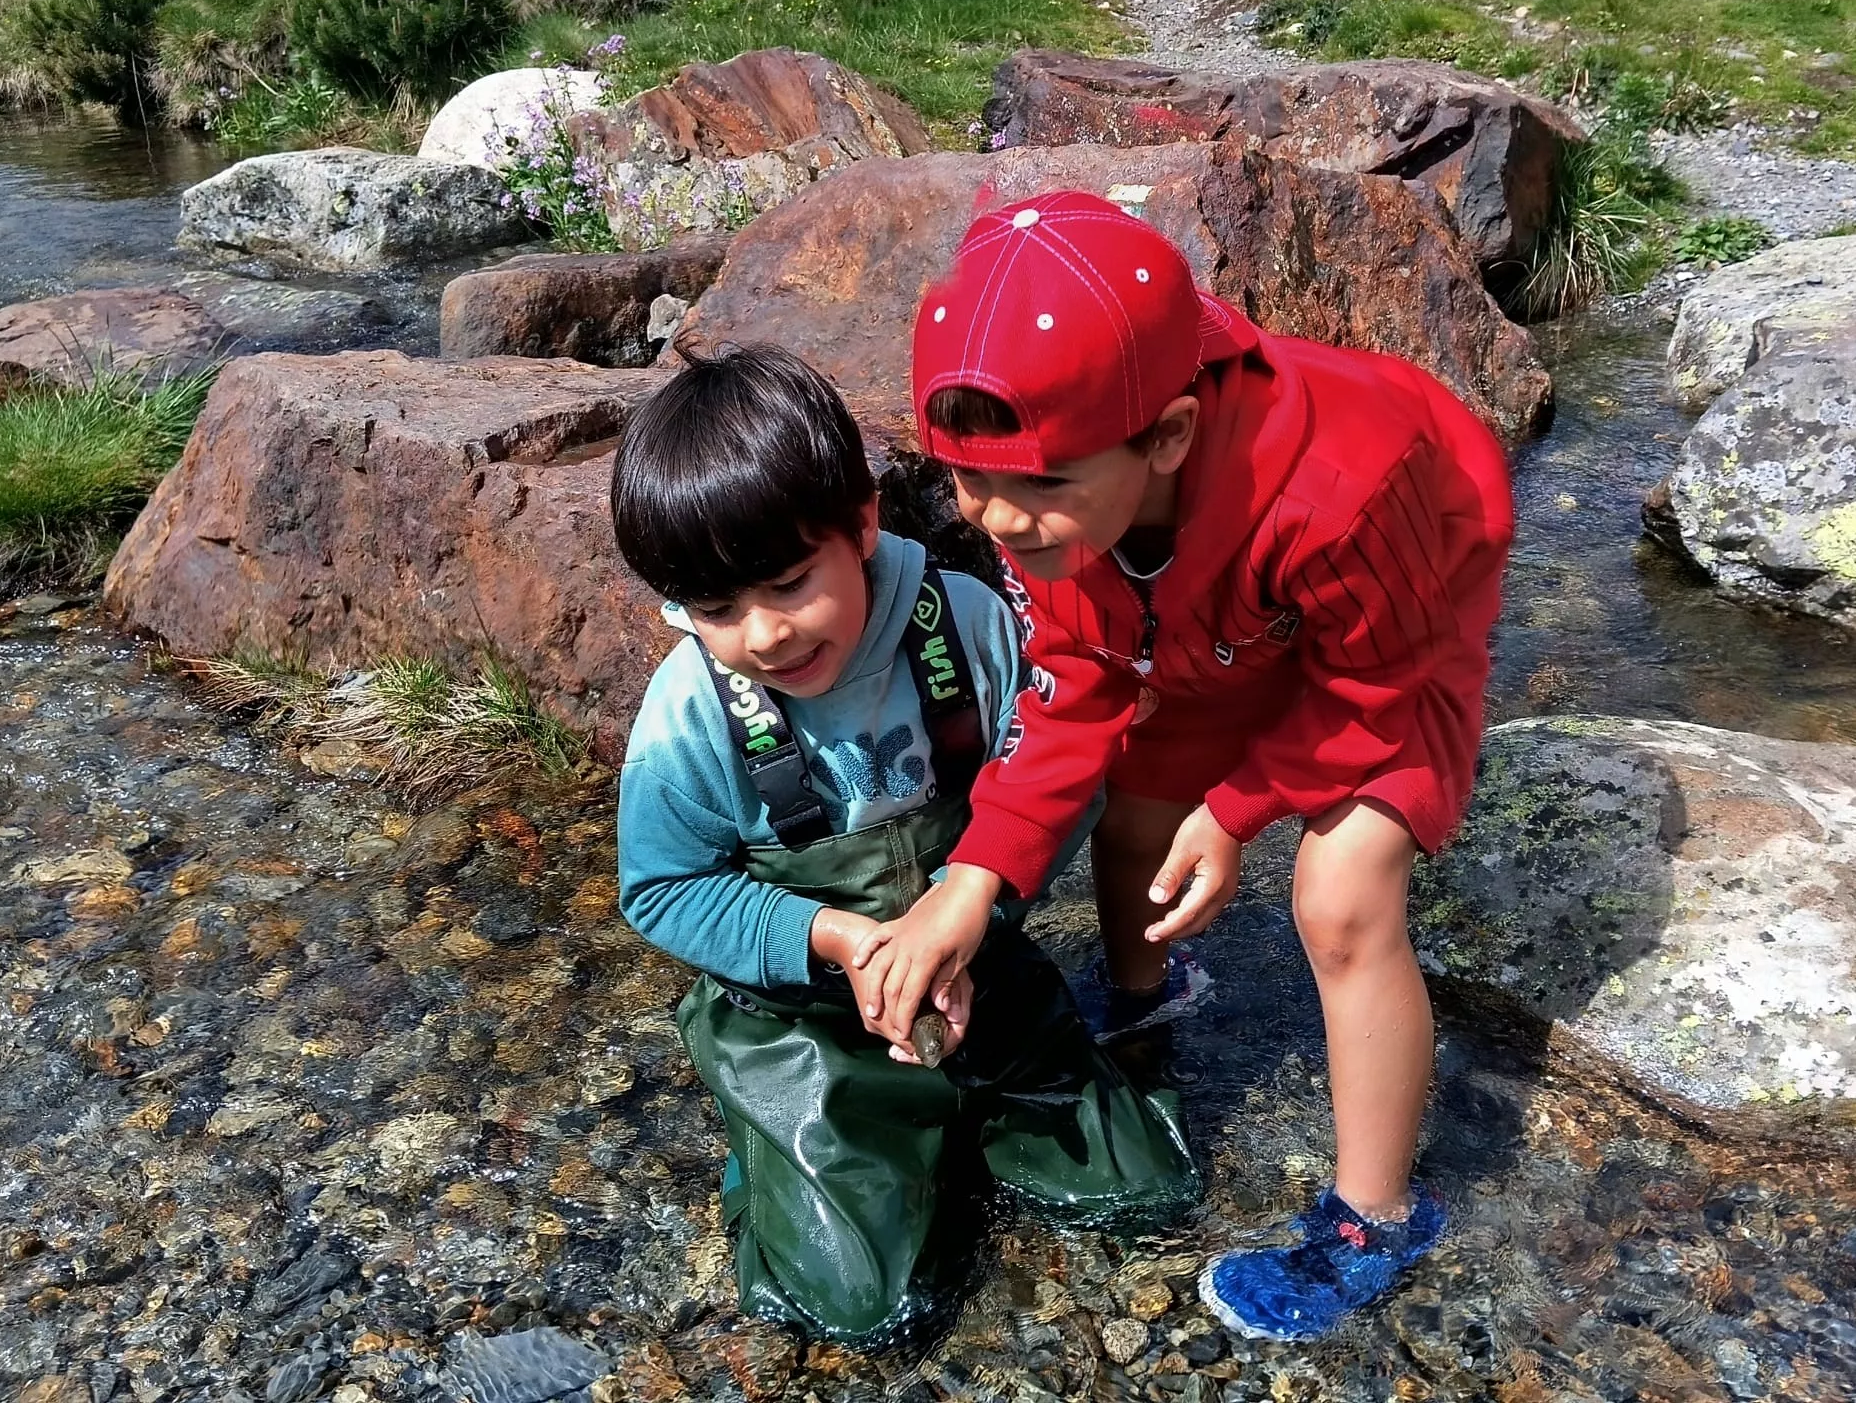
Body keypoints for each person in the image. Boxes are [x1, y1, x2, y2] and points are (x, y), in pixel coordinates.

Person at [866, 192, 1515, 1341]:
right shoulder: (1061, 504)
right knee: (1134, 823)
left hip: (1401, 604)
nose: (998, 522)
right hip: (1206, 603)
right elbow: (1070, 694)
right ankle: (1147, 997)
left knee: (1342, 897)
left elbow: (1374, 691)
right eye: (964, 483)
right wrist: (968, 884)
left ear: (1167, 434)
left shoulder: (1348, 484)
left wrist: (1241, 805)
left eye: (1039, 489)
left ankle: (1379, 1217)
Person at [610, 342, 1197, 1344]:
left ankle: (950, 1127)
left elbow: (1058, 790)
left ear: (864, 524)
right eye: (717, 611)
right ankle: (793, 1154)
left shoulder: (964, 626)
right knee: (862, 1307)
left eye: (792, 584)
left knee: (1145, 1193)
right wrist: (838, 940)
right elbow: (664, 891)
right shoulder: (691, 715)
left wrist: (972, 919)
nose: (764, 634)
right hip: (801, 1010)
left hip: (974, 963)